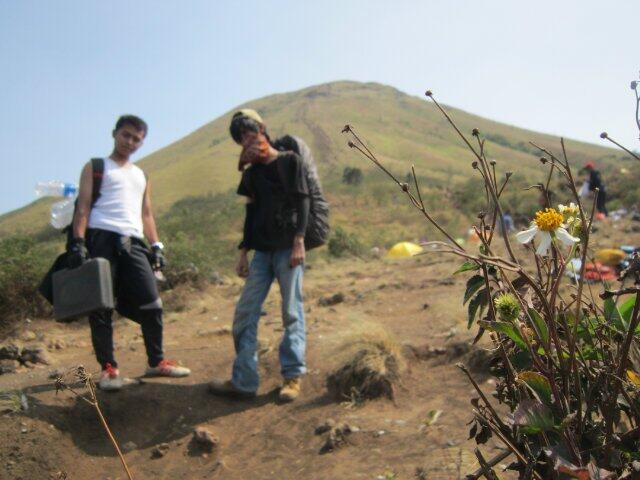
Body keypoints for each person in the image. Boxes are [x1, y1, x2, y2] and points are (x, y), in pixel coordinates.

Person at [69, 115, 190, 390]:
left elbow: (146, 214)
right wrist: (78, 242)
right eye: (126, 135)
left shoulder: (141, 175)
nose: (130, 142)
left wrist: (156, 246)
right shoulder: (96, 167)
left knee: (152, 302)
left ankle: (157, 362)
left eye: (137, 139)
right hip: (100, 238)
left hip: (134, 242)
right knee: (101, 305)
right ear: (115, 134)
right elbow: (83, 208)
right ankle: (109, 370)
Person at [209, 109, 309, 402]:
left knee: (292, 312)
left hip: (288, 247)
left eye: (249, 132)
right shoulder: (251, 175)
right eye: (240, 137)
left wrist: (299, 241)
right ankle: (245, 381)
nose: (246, 139)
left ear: (262, 128)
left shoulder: (290, 161)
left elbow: (303, 201)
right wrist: (243, 251)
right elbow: (251, 214)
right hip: (262, 253)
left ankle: (292, 377)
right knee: (244, 314)